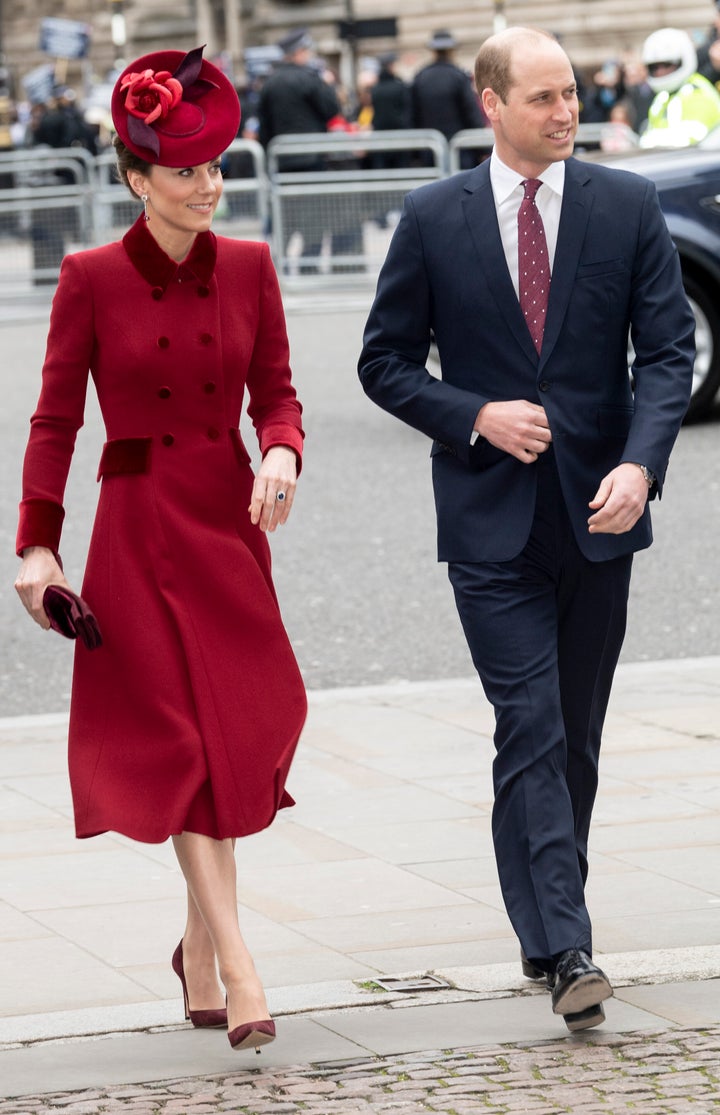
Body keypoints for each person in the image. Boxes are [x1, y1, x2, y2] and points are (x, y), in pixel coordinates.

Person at [358, 26, 694, 1033]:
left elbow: (668, 355)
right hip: (487, 522)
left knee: (573, 739)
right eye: (544, 97)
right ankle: (571, 944)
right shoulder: (432, 216)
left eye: (574, 94)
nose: (568, 112)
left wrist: (640, 463)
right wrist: (473, 413)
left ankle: (545, 927)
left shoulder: (627, 203)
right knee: (532, 725)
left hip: (600, 514)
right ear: (491, 104)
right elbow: (385, 362)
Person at [14, 45, 306, 1054]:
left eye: (215, 166)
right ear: (136, 180)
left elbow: (279, 392)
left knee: (240, 733)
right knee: (183, 746)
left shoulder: (251, 265)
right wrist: (36, 550)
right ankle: (240, 962)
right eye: (183, 170)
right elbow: (54, 423)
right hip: (135, 532)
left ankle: (191, 942)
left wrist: (281, 451)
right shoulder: (90, 277)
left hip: (228, 523)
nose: (207, 185)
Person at [257, 27, 340, 272]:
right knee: (314, 214)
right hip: (312, 159)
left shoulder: (269, 83)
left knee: (285, 214)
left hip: (281, 160)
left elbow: (265, 127)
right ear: (299, 52)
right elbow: (331, 109)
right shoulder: (310, 78)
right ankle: (309, 264)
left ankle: (279, 265)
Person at [639, 26, 720, 147]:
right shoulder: (662, 97)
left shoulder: (698, 92)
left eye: (666, 65)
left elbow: (691, 138)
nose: (660, 72)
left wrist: (651, 140)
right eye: (654, 67)